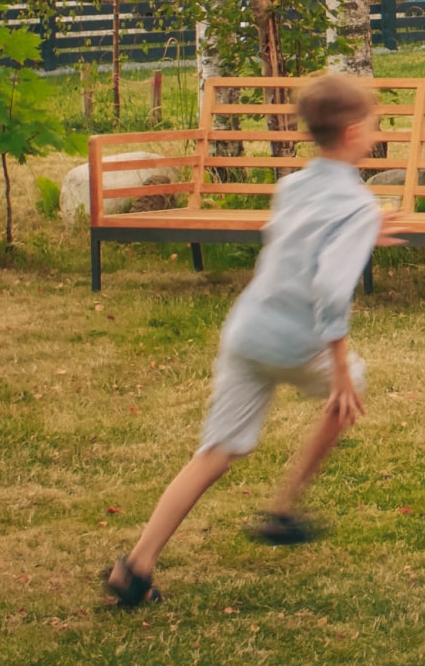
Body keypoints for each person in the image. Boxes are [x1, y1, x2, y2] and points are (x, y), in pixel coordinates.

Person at [101, 75, 403, 608]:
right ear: (354, 131)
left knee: (214, 452)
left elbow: (297, 238)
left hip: (247, 330)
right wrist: (335, 367)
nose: (377, 132)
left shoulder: (294, 185)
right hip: (297, 341)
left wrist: (364, 228)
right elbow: (332, 290)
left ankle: (136, 565)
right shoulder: (357, 205)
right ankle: (284, 507)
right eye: (375, 124)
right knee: (351, 385)